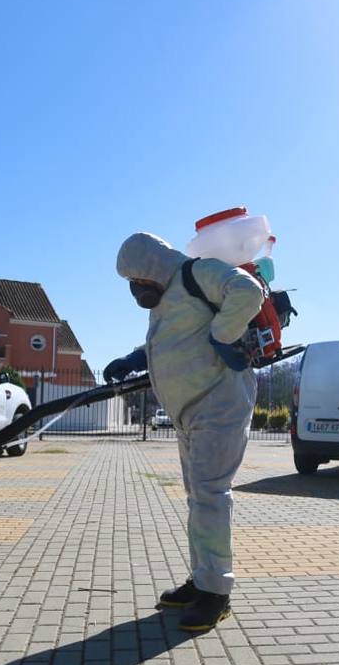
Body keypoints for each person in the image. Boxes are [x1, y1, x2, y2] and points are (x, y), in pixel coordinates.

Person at [105, 231, 265, 631]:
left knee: (210, 496)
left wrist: (222, 334)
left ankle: (217, 593)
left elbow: (248, 291)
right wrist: (134, 358)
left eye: (138, 282)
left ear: (154, 268)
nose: (136, 292)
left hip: (219, 404)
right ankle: (202, 580)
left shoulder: (198, 273)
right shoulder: (166, 300)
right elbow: (175, 341)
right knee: (199, 498)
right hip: (190, 413)